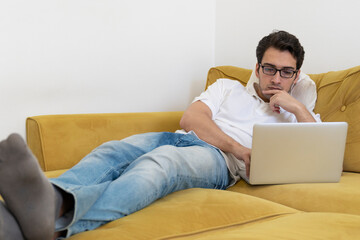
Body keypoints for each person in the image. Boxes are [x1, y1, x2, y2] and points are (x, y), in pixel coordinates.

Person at [0, 30, 320, 240]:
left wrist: (296, 105)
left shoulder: (298, 118)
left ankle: (58, 222)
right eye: (269, 68)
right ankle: (38, 208)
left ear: (297, 75)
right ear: (257, 67)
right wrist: (239, 146)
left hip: (217, 160)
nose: (276, 78)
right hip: (180, 135)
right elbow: (192, 117)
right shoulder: (228, 87)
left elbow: (318, 154)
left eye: (286, 72)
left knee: (159, 165)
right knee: (112, 150)